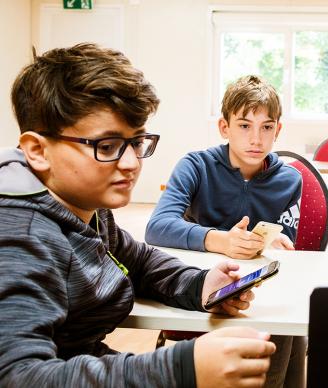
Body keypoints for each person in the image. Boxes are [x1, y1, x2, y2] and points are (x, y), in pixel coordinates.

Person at [0, 43, 276, 387]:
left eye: (137, 141)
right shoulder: (19, 236)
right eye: (106, 146)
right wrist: (181, 369)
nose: (131, 163)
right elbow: (18, 378)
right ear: (38, 151)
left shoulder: (86, 205)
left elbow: (137, 260)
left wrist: (199, 284)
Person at [145, 74, 304, 388]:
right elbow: (157, 227)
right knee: (279, 333)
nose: (256, 139)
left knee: (285, 322)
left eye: (267, 127)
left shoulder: (289, 180)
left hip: (259, 286)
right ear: (224, 127)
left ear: (278, 130)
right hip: (202, 280)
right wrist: (222, 240)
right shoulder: (195, 166)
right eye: (244, 125)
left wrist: (277, 243)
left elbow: (288, 245)